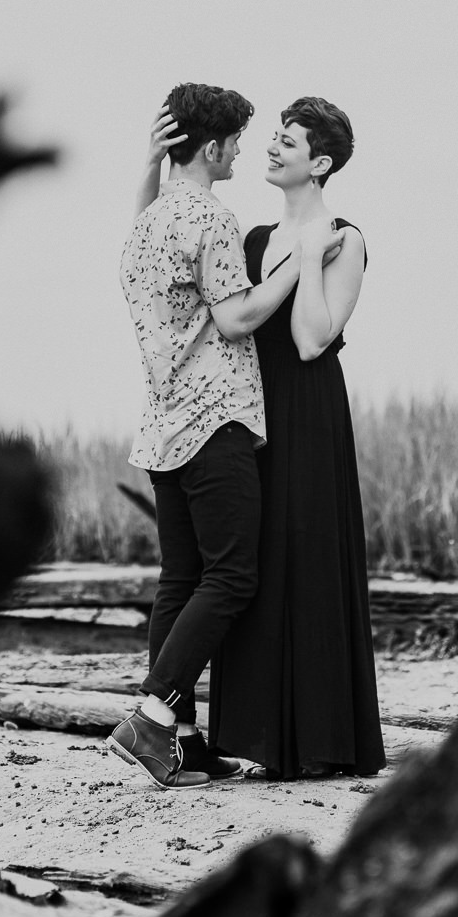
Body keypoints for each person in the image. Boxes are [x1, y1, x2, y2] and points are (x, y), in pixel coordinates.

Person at [107, 82, 337, 789]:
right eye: (236, 140)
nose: (243, 149)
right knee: (232, 576)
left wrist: (151, 164)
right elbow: (238, 318)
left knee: (181, 579)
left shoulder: (147, 221)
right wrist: (302, 260)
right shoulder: (209, 218)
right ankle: (151, 716)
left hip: (162, 428)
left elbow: (153, 218)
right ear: (210, 147)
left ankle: (177, 739)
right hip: (215, 422)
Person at [209, 97, 386, 779]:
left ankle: (320, 741)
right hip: (253, 416)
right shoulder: (252, 241)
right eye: (274, 139)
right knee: (255, 567)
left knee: (309, 560)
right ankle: (259, 740)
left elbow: (313, 339)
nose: (272, 149)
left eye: (287, 141)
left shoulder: (348, 237)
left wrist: (311, 258)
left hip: (310, 414)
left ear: (321, 162)